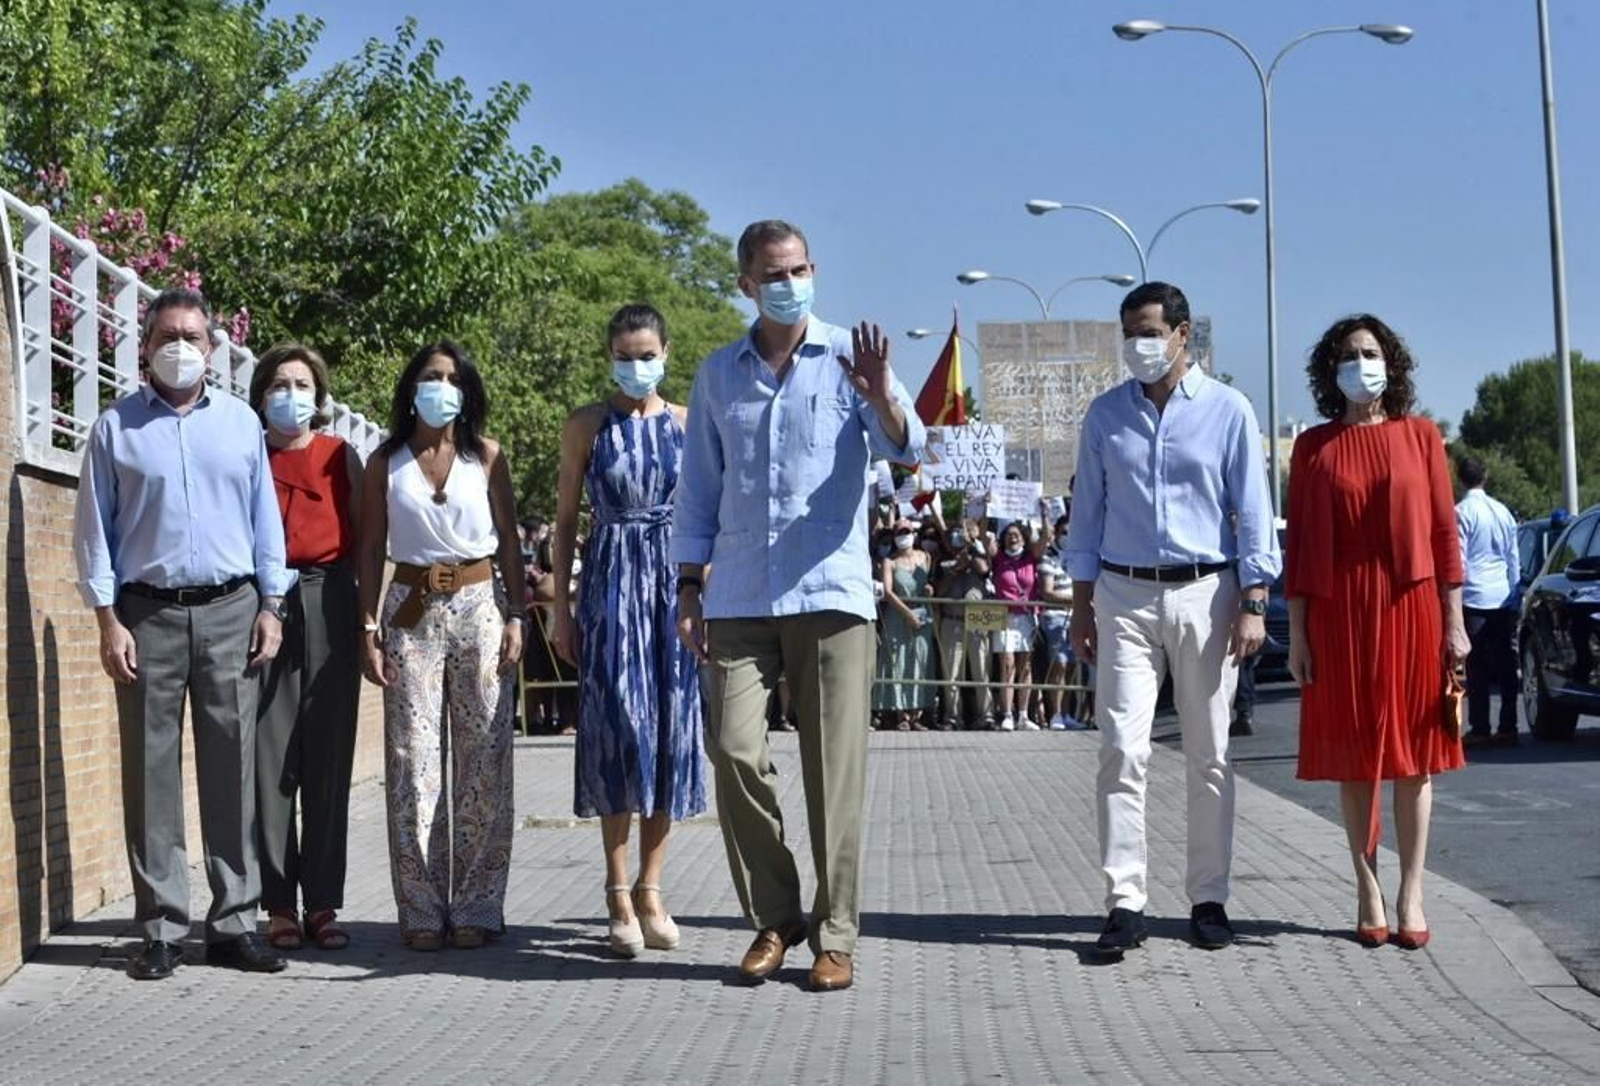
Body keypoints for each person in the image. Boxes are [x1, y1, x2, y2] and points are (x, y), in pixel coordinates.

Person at [672, 219, 924, 993]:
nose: (791, 281)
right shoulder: (718, 374)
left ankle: (836, 934)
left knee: (832, 773)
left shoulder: (853, 356)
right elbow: (699, 492)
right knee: (736, 752)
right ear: (747, 283)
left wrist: (882, 398)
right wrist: (688, 585)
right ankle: (777, 918)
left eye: (802, 267)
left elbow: (908, 454)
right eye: (775, 272)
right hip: (742, 592)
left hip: (833, 593)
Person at [73, 287, 293, 979]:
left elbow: (266, 522)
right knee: (151, 776)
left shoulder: (241, 426)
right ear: (144, 347)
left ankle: (234, 923)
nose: (180, 347)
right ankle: (162, 927)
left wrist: (271, 606)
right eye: (167, 334)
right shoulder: (115, 428)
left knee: (233, 770)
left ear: (212, 348)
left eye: (192, 336)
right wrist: (107, 619)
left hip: (232, 610)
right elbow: (94, 533)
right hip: (146, 615)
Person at [1066, 281, 1279, 957]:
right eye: (1130, 331)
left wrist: (1253, 599)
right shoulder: (1105, 417)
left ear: (1185, 335)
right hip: (1124, 593)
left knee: (1209, 752)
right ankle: (1124, 901)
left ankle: (1208, 898)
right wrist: (1079, 603)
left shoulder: (1228, 410)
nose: (1140, 344)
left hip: (1205, 592)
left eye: (1152, 331)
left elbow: (1251, 508)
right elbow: (1087, 515)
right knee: (1121, 749)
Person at [1287, 314, 1468, 951]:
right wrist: (1301, 636)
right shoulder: (1312, 447)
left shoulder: (1421, 438)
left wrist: (1456, 625)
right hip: (1341, 611)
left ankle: (1411, 888)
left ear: (1390, 363)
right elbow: (1302, 547)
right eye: (1347, 354)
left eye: (1369, 352)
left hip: (1411, 605)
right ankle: (1365, 883)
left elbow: (1445, 534)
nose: (1359, 362)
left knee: (1415, 757)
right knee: (1356, 754)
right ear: (1330, 371)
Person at [357, 339, 525, 952]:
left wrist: (516, 616)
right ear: (412, 387)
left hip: (480, 604)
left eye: (452, 377)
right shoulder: (386, 462)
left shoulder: (488, 457)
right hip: (410, 609)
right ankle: (422, 908)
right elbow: (370, 547)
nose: (441, 386)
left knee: (483, 758)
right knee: (412, 760)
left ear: (467, 390)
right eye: (430, 376)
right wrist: (368, 628)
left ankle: (479, 902)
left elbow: (509, 539)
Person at [550, 304, 707, 958]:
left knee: (670, 731)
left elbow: (710, 515)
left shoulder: (689, 425)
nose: (636, 364)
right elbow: (563, 521)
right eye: (624, 353)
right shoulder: (589, 425)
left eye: (647, 353)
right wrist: (560, 606)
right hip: (612, 587)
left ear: (666, 352)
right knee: (620, 728)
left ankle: (652, 887)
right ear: (610, 354)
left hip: (673, 591)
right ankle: (616, 890)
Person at [249, 343, 364, 952]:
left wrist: (366, 620)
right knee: (270, 759)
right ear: (261, 392)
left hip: (329, 597)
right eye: (279, 383)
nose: (291, 394)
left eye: (302, 384)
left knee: (327, 757)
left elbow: (367, 540)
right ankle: (277, 902)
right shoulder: (245, 454)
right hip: (261, 603)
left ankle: (321, 901)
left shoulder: (339, 456)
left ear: (318, 397)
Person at [1454, 456, 1522, 748]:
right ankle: (1508, 725)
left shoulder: (1461, 512)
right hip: (1502, 596)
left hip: (1474, 597)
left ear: (1460, 479)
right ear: (1486, 476)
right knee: (1506, 664)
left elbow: (1459, 560)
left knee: (1477, 667)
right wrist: (1515, 594)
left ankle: (1480, 727)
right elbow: (1513, 558)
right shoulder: (1503, 511)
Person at [875, 518, 936, 731]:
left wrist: (929, 589)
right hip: (897, 614)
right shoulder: (889, 562)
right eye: (899, 531)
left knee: (920, 660)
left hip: (922, 615)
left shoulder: (925, 557)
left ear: (914, 533)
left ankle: (917, 714)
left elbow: (928, 583)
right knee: (896, 661)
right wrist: (907, 613)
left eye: (907, 530)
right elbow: (888, 591)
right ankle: (900, 713)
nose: (903, 534)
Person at [934, 518, 995, 731]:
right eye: (955, 535)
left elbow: (985, 571)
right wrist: (955, 570)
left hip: (978, 622)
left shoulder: (977, 554)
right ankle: (953, 717)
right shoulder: (941, 561)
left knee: (981, 671)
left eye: (962, 534)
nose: (958, 539)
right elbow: (939, 592)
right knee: (951, 674)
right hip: (952, 621)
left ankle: (986, 716)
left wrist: (970, 550)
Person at [1037, 515, 1087, 731]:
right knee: (1059, 664)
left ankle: (1067, 714)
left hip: (1075, 616)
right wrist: (1078, 598)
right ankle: (1055, 713)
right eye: (1064, 532)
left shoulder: (1076, 557)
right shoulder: (1048, 558)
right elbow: (1048, 592)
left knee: (1073, 666)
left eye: (1071, 532)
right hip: (1055, 617)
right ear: (1056, 533)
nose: (1068, 536)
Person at [991, 521, 1041, 731]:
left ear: (1024, 538)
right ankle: (1007, 714)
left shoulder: (1030, 559)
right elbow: (987, 541)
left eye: (1017, 535)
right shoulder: (998, 558)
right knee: (1007, 663)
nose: (1013, 538)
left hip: (1027, 616)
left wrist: (1045, 513)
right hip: (1004, 616)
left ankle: (1023, 715)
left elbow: (1046, 538)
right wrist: (987, 509)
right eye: (1009, 535)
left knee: (1025, 666)